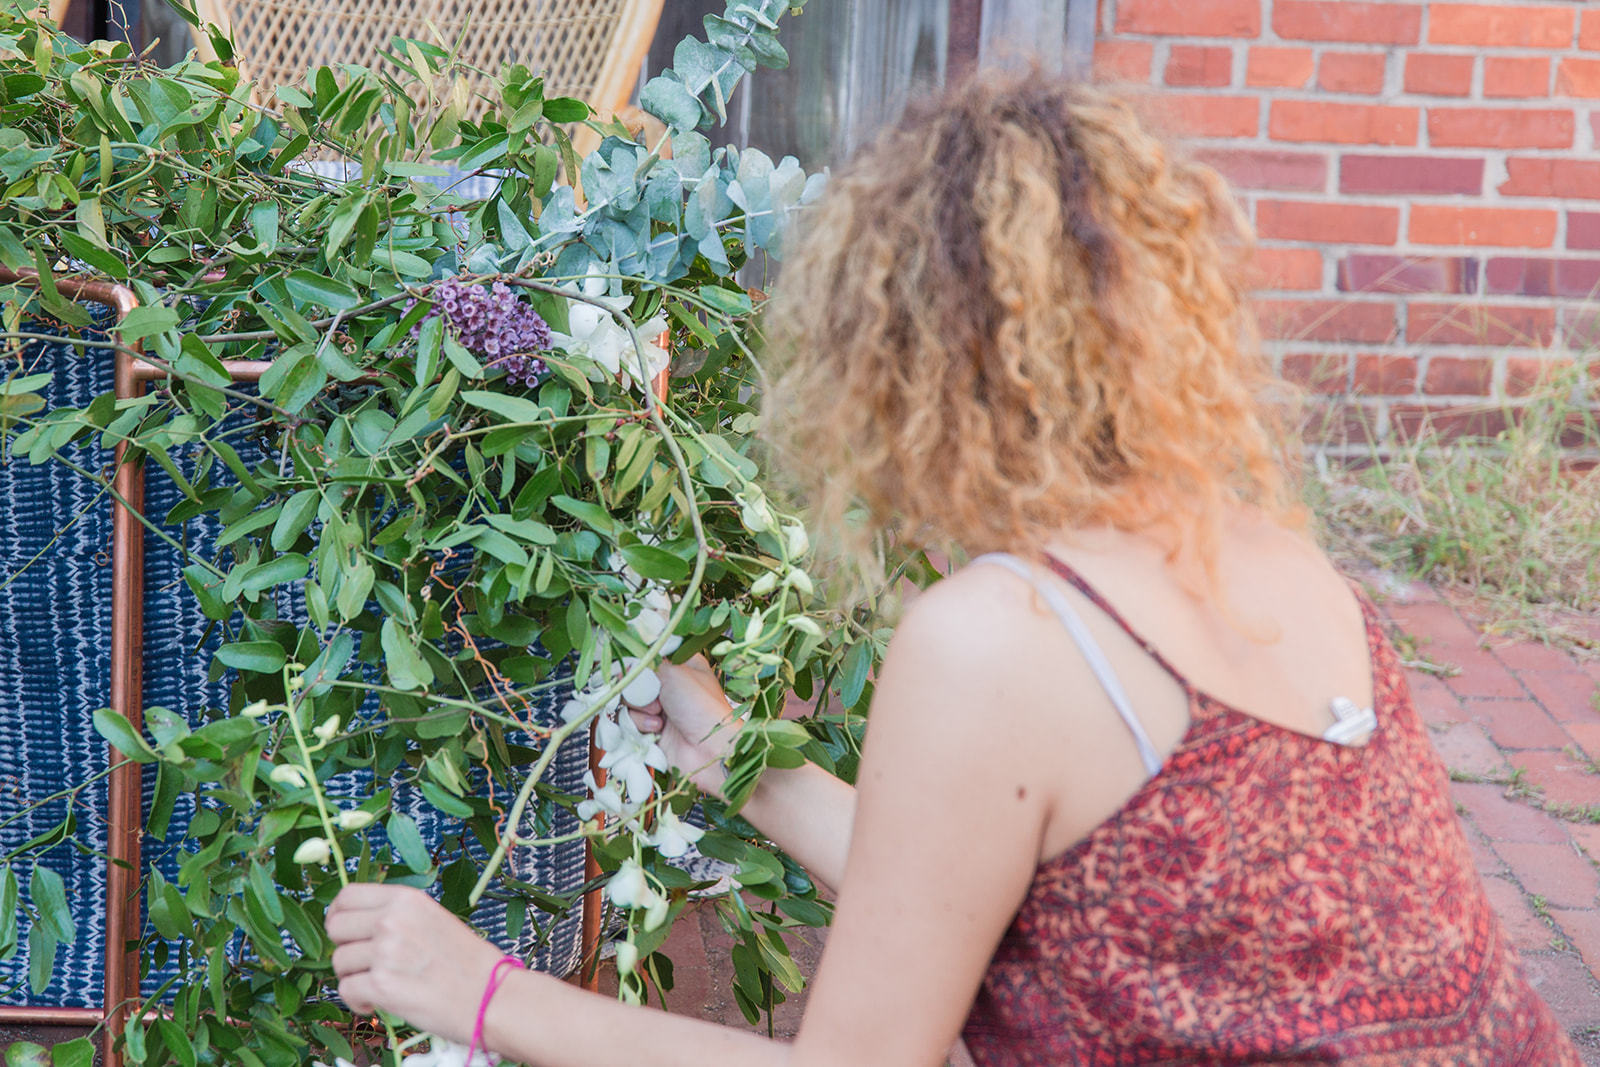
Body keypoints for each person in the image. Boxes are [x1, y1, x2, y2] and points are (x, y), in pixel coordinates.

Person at [326, 72, 1581, 1067]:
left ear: (892, 358)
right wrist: (730, 755)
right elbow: (1038, 890)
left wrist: (482, 991)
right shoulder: (1276, 557)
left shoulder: (1003, 630)